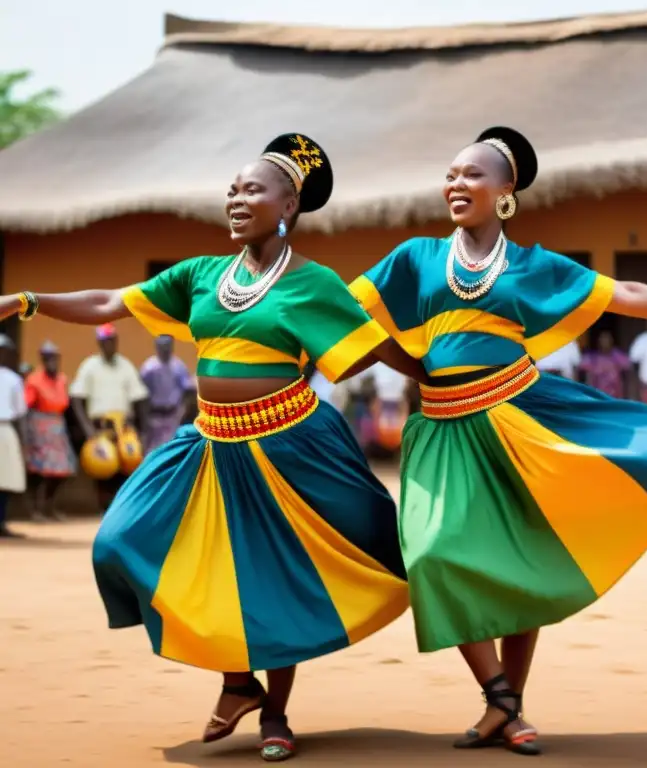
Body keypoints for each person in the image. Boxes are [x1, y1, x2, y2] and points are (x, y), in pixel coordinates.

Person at [350, 127, 647, 755]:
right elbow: (346, 317)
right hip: (442, 429)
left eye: (473, 175)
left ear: (506, 192)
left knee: (522, 561)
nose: (456, 184)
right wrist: (408, 364)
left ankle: (504, 709)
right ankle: (502, 698)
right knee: (432, 555)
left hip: (519, 419)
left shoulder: (533, 266)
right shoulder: (416, 258)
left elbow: (628, 293)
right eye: (451, 174)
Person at [0, 133, 421, 762]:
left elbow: (376, 347)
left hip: (288, 445)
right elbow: (110, 301)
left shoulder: (314, 283)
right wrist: (27, 301)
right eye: (232, 189)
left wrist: (436, 374)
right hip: (209, 443)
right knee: (121, 540)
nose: (236, 198)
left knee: (279, 578)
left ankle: (274, 714)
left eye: (253, 190)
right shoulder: (201, 275)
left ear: (289, 207)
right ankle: (236, 681)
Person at [69, 323, 149, 510]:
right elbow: (77, 399)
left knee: (130, 463)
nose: (110, 344)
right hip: (100, 426)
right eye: (106, 341)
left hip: (123, 426)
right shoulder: (89, 366)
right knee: (103, 467)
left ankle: (121, 510)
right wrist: (87, 429)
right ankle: (105, 509)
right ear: (99, 343)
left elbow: (139, 398)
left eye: (113, 340)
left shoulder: (125, 365)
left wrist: (140, 428)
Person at [24, 340, 76, 521]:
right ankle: (35, 510)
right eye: (47, 358)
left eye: (54, 357)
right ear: (42, 359)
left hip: (57, 426)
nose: (51, 361)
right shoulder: (34, 380)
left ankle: (49, 505)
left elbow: (66, 404)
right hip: (39, 426)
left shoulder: (62, 379)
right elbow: (27, 407)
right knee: (39, 472)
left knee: (62, 471)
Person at [139, 335, 196, 453]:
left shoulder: (178, 366)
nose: (165, 349)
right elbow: (142, 396)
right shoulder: (149, 368)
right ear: (157, 347)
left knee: (173, 450)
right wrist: (144, 421)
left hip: (173, 416)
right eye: (162, 346)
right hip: (154, 417)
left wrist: (182, 412)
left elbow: (189, 391)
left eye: (168, 346)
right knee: (153, 451)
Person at [0, 335, 27, 538]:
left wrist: (24, 441)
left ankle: (1, 522)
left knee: (6, 479)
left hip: (6, 429)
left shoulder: (14, 379)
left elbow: (20, 414)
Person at [579, 329, 632, 399]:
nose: (605, 342)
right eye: (602, 340)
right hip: (597, 396)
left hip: (615, 396)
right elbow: (587, 377)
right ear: (598, 342)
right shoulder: (592, 358)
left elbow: (628, 372)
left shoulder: (618, 356)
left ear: (612, 341)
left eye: (607, 340)